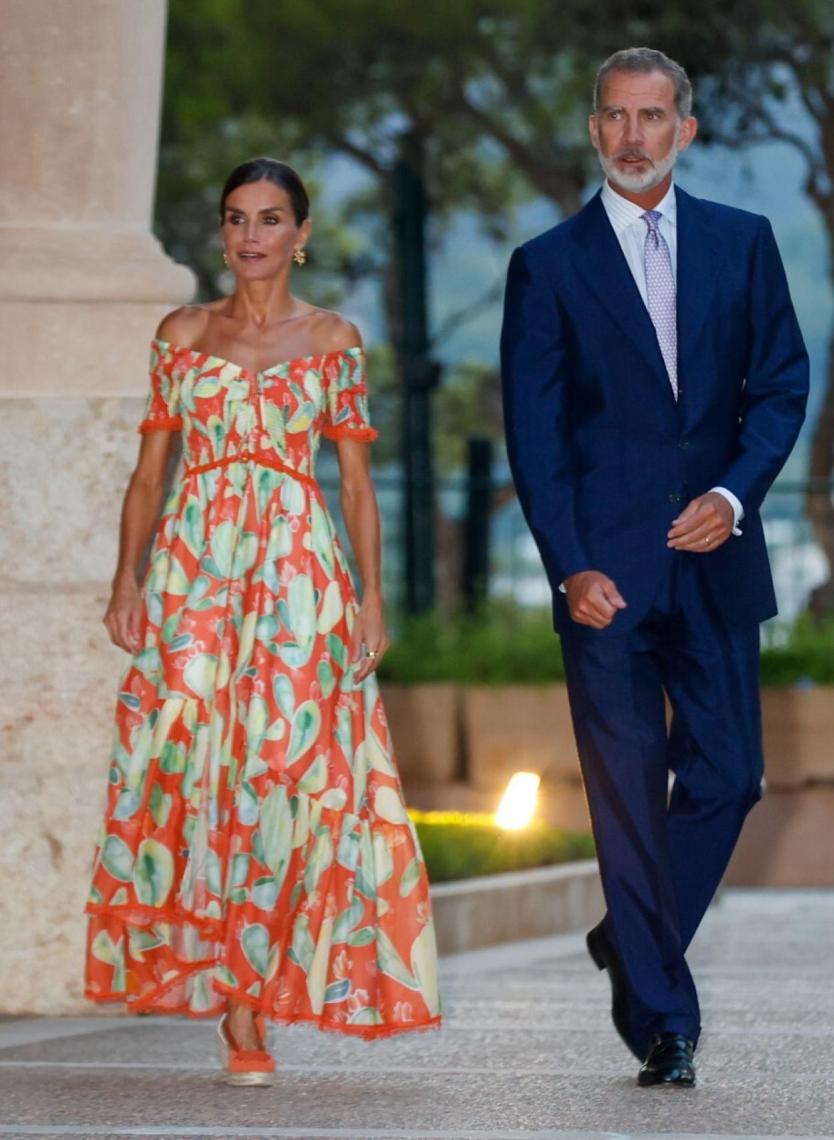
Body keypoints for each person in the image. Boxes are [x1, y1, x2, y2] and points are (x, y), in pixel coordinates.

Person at [86, 157, 441, 1086]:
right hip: (194, 573)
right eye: (237, 218)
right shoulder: (181, 332)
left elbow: (355, 487)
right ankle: (231, 990)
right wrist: (126, 580)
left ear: (301, 234)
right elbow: (149, 475)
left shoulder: (332, 339)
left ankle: (250, 1000)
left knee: (284, 770)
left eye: (271, 218)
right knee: (191, 760)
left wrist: (370, 596)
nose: (251, 235)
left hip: (295, 574)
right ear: (222, 231)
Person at [501, 48, 808, 1087]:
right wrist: (568, 566)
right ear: (594, 130)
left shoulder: (743, 241)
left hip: (716, 560)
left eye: (652, 117)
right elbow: (535, 434)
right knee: (628, 797)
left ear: (686, 129)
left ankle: (629, 939)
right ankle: (666, 1024)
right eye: (615, 117)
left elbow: (781, 384)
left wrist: (733, 495)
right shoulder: (547, 265)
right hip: (607, 580)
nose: (633, 136)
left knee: (729, 777)